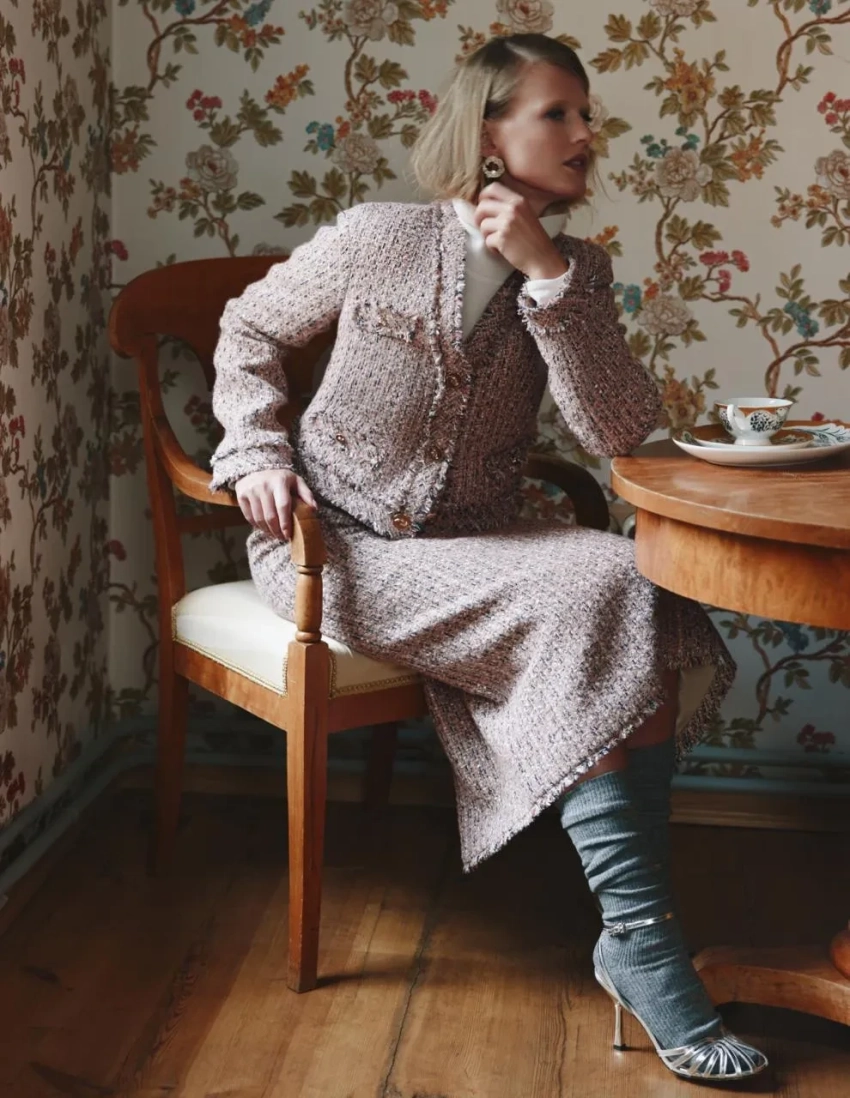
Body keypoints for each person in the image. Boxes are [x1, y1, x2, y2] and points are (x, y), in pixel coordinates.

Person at [209, 33, 768, 1082]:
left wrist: (548, 276)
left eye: (586, 113)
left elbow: (618, 431)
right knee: (605, 583)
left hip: (479, 545)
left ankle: (638, 940)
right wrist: (254, 452)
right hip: (337, 551)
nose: (586, 132)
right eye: (558, 113)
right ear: (490, 134)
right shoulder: (378, 237)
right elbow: (248, 332)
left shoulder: (577, 272)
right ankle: (648, 952)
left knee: (637, 582)